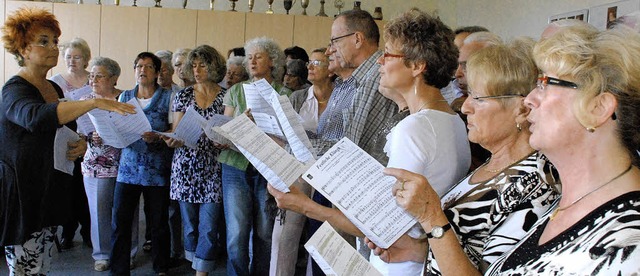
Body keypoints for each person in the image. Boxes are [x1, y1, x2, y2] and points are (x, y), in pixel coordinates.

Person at [369, 36, 561, 275]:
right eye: (468, 94)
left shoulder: (534, 184)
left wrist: (430, 215)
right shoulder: (494, 163)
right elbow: (468, 249)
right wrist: (415, 250)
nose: (466, 106)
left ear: (522, 109)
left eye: (478, 98)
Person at [486, 25, 640, 275]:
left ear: (598, 107)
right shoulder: (570, 201)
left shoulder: (628, 243)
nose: (529, 99)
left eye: (545, 83)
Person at [0, 7, 134, 275]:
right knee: (27, 269)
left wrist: (82, 144)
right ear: (23, 49)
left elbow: (69, 127)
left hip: (47, 190)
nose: (53, 48)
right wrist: (95, 101)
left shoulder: (54, 88)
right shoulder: (15, 88)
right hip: (22, 193)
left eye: (54, 41)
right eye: (43, 41)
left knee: (43, 264)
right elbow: (35, 117)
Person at [219, 36, 291, 276]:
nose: (252, 61)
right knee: (236, 233)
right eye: (249, 57)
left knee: (264, 232)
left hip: (268, 169)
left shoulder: (285, 94)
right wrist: (239, 126)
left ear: (272, 62)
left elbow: (289, 137)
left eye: (258, 57)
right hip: (235, 167)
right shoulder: (236, 91)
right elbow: (224, 131)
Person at [269, 47, 335, 276]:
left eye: (317, 63)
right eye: (310, 63)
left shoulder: (341, 98)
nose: (310, 67)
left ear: (330, 70)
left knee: (322, 235)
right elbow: (284, 133)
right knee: (285, 233)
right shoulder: (297, 97)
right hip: (298, 169)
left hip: (329, 173)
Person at [162, 45, 227, 276]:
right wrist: (173, 140)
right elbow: (177, 130)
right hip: (185, 166)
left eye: (203, 65)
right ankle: (195, 261)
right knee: (190, 226)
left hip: (213, 166)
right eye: (194, 65)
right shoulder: (183, 95)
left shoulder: (225, 96)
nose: (197, 70)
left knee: (208, 226)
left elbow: (228, 130)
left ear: (214, 67)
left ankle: (202, 271)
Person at [110, 52, 173, 276]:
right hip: (128, 169)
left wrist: (158, 135)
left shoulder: (168, 97)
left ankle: (161, 267)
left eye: (148, 66)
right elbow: (117, 128)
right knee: (120, 221)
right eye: (138, 66)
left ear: (157, 72)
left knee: (158, 222)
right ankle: (118, 268)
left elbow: (174, 129)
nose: (142, 70)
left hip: (157, 170)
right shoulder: (124, 96)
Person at [80, 57, 139, 272]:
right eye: (92, 75)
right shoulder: (85, 100)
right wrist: (89, 136)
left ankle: (128, 253)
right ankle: (102, 254)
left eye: (100, 75)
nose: (93, 79)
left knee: (126, 211)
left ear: (114, 78)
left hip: (124, 163)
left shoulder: (125, 98)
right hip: (95, 164)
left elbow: (135, 127)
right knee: (98, 211)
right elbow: (78, 130)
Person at [50, 37, 93, 250]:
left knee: (86, 191)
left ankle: (88, 231)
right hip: (65, 141)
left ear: (86, 60)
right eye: (68, 57)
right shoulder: (55, 81)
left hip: (91, 141)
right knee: (68, 188)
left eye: (77, 57)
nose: (72, 61)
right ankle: (68, 232)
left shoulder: (92, 79)